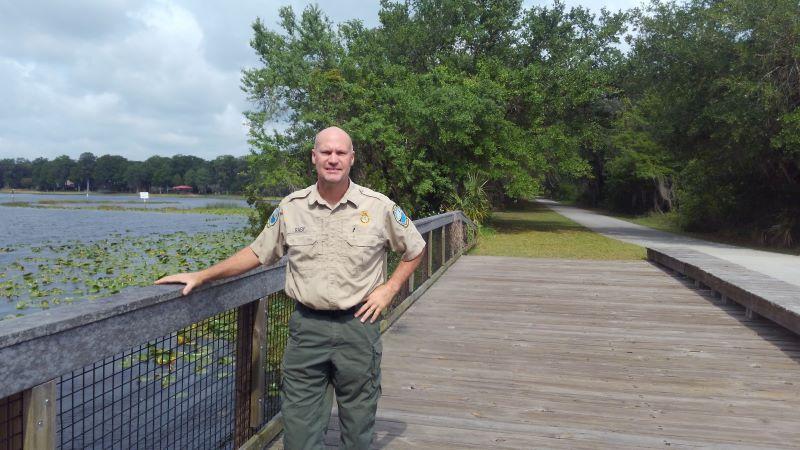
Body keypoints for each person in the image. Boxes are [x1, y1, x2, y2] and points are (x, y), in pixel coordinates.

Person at [156, 126, 425, 449]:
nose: (333, 159)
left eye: (341, 153)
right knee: (299, 432)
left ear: (352, 159)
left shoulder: (378, 207)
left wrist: (390, 288)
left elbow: (415, 247)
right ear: (314, 157)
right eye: (326, 152)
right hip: (306, 329)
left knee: (358, 427)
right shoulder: (292, 207)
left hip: (359, 327)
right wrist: (204, 275)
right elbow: (258, 252)